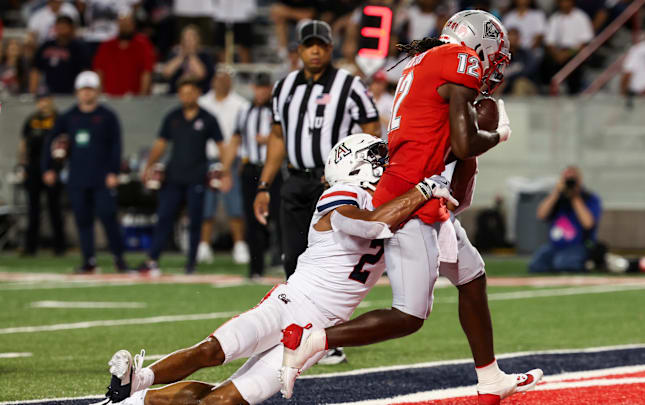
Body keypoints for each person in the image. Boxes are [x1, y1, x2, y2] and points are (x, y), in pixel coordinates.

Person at [279, 10, 541, 404]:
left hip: (423, 186)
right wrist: (498, 133)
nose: (492, 66)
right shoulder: (460, 59)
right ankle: (314, 341)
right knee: (409, 315)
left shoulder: (426, 59)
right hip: (411, 194)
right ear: (478, 45)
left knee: (472, 276)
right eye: (493, 55)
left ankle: (490, 378)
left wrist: (470, 136)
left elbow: (448, 145)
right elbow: (466, 143)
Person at [101, 134, 456, 405]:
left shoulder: (395, 205)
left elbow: (438, 247)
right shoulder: (342, 193)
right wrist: (424, 190)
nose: (387, 164)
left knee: (221, 401)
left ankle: (135, 399)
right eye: (378, 158)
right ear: (355, 165)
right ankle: (142, 378)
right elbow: (371, 225)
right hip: (291, 303)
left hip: (319, 332)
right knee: (212, 351)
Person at [253, 19, 380, 280]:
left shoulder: (349, 84)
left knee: (329, 258)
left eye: (320, 45)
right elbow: (278, 137)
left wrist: (352, 174)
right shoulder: (283, 87)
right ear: (298, 49)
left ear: (331, 47)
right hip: (295, 180)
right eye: (309, 45)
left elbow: (372, 130)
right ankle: (298, 318)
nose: (315, 51)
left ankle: (326, 317)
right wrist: (264, 185)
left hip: (332, 184)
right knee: (292, 258)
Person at [138, 78, 231, 275]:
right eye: (183, 93)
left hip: (196, 177)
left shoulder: (207, 118)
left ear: (198, 93)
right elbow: (161, 144)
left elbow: (222, 146)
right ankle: (152, 259)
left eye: (190, 93)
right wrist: (148, 166)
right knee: (164, 217)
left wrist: (226, 171)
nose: (186, 97)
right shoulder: (172, 116)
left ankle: (191, 263)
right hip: (173, 177)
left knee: (195, 221)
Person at [42, 71, 127, 273]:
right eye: (83, 90)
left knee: (108, 217)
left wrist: (113, 172)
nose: (86, 94)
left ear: (97, 91)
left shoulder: (107, 116)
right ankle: (89, 260)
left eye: (90, 90)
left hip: (101, 176)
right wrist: (49, 168)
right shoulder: (68, 117)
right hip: (77, 176)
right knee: (82, 219)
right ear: (77, 92)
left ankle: (119, 259)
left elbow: (116, 145)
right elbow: (51, 142)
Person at [197, 70, 251, 265]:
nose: (221, 82)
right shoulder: (203, 102)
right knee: (206, 204)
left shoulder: (240, 105)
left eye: (225, 79)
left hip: (232, 160)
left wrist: (231, 164)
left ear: (231, 81)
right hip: (207, 158)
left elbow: (242, 136)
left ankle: (239, 245)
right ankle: (203, 245)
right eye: (218, 78)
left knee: (234, 203)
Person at [231, 73, 281, 278]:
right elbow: (236, 138)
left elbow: (285, 136)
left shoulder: (277, 110)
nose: (261, 91)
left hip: (273, 169)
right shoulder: (244, 111)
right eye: (258, 87)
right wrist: (227, 168)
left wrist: (269, 140)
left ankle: (283, 261)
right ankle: (255, 268)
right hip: (250, 168)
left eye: (265, 87)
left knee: (279, 217)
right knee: (253, 219)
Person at [17, 91, 66, 256]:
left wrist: (58, 168)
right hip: (33, 168)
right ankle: (31, 247)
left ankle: (59, 247)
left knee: (55, 208)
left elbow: (65, 143)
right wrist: (22, 165)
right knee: (33, 209)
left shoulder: (59, 119)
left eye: (45, 100)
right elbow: (23, 143)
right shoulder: (32, 120)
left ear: (51, 101)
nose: (43, 103)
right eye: (40, 100)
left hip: (53, 167)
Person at [528, 166, 602, 273]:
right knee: (536, 266)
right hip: (555, 246)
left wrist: (575, 197)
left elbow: (588, 223)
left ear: (579, 180)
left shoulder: (589, 198)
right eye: (566, 179)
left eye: (572, 179)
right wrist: (556, 192)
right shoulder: (557, 198)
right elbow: (541, 215)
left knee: (563, 264)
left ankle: (587, 263)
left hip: (579, 245)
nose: (569, 183)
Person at [92, 13, 156, 96]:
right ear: (117, 25)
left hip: (134, 98)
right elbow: (99, 71)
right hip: (110, 97)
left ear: (133, 25)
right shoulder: (106, 46)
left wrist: (142, 97)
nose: (125, 27)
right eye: (122, 24)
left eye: (127, 24)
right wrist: (99, 95)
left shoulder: (143, 44)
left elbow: (147, 72)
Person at [541, 0, 594, 94]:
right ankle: (549, 90)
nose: (564, 4)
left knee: (574, 63)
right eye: (561, 2)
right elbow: (549, 42)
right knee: (545, 61)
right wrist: (556, 54)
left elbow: (584, 42)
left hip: (575, 51)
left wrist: (567, 54)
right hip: (558, 51)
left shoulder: (581, 17)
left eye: (566, 1)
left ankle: (573, 92)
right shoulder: (555, 18)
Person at [29, 15, 90, 94]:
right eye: (59, 26)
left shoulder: (79, 47)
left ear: (71, 28)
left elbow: (84, 72)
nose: (61, 30)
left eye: (64, 27)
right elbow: (35, 70)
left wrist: (80, 92)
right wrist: (32, 91)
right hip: (47, 91)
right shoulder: (46, 45)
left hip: (70, 92)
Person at [162, 24, 215, 94]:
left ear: (198, 39)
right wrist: (181, 56)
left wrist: (191, 55)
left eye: (191, 38)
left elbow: (201, 74)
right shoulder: (174, 53)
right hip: (175, 92)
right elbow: (166, 73)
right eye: (186, 38)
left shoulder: (205, 55)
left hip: (200, 93)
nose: (188, 41)